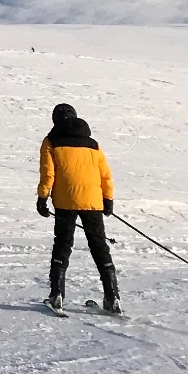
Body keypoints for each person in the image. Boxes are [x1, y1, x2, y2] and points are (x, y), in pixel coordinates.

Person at [37, 102, 120, 316]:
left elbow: (48, 174)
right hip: (93, 201)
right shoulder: (93, 144)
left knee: (63, 245)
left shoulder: (51, 141)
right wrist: (108, 200)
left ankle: (57, 295)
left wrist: (42, 198)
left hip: (65, 201)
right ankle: (112, 297)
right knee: (99, 246)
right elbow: (105, 175)